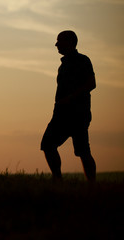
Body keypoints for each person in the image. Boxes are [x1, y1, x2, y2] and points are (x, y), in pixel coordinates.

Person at [41, 30, 97, 181]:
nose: (56, 44)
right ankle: (57, 179)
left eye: (60, 41)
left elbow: (91, 84)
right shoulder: (63, 65)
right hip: (61, 115)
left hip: (78, 114)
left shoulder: (83, 60)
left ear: (71, 42)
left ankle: (92, 185)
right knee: (48, 144)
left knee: (83, 151)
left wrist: (71, 98)